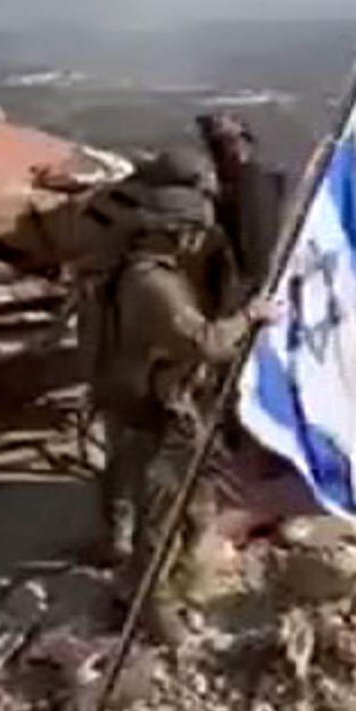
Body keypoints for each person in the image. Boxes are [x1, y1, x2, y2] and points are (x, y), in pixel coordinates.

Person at [78, 147, 275, 646]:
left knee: (143, 485)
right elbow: (205, 342)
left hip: (127, 391)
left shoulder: (124, 265)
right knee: (162, 511)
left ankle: (132, 566)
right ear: (178, 231)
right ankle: (153, 603)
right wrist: (250, 317)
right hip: (158, 405)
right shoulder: (155, 286)